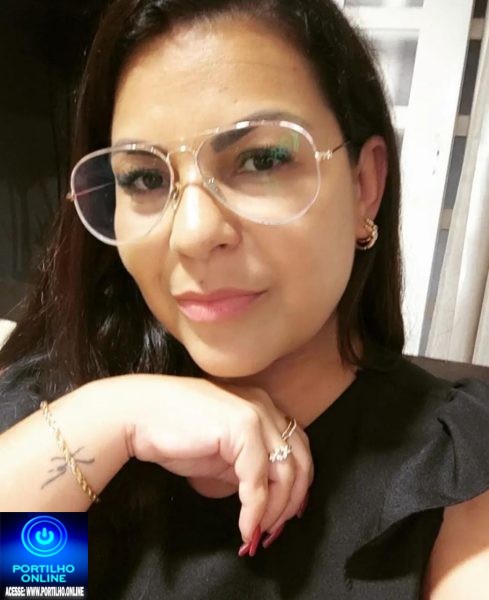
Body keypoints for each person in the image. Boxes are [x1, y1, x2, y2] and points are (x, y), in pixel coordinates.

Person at [1, 0, 488, 597]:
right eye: (145, 178)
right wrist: (116, 417)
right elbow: (29, 586)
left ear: (364, 185)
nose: (193, 233)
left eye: (261, 160)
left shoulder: (450, 473)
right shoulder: (63, 404)